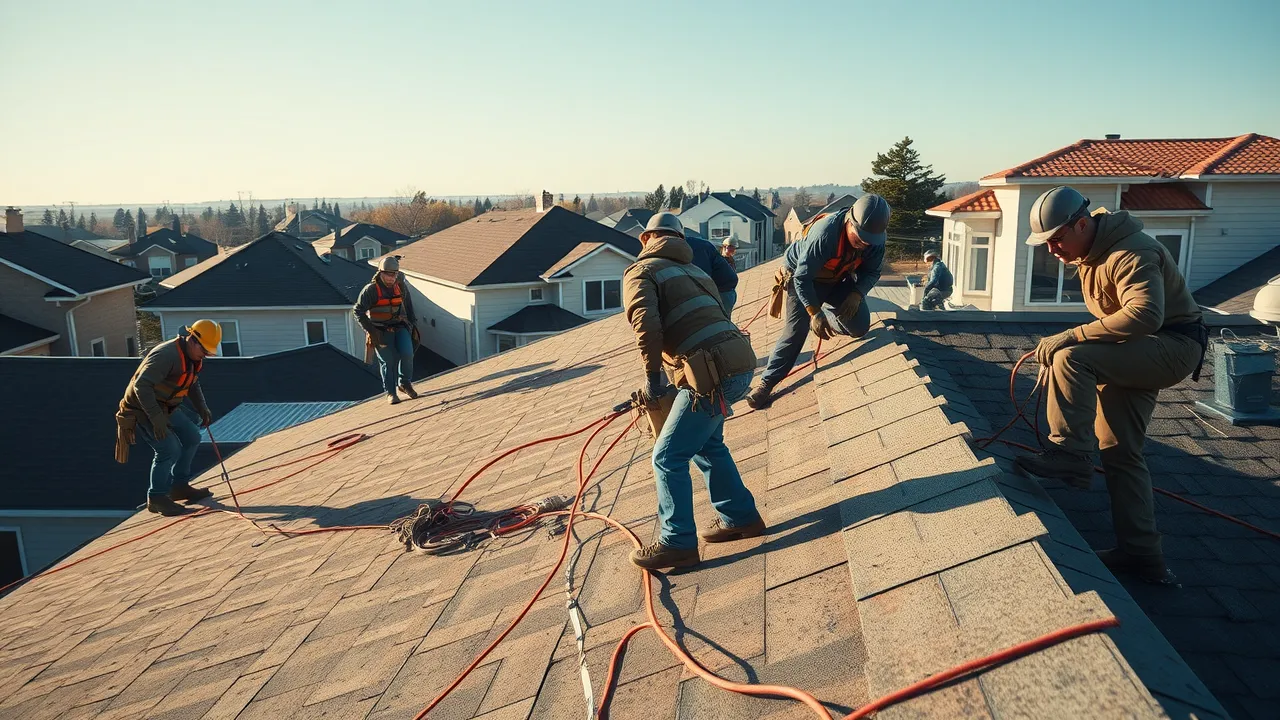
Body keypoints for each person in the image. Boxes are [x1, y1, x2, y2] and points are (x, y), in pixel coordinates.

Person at [1014, 186, 1207, 584]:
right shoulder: (1091, 249)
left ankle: (1069, 454)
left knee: (1072, 357)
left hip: (1172, 346)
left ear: (1081, 224)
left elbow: (1145, 315)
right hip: (1139, 348)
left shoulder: (1130, 252)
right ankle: (1142, 555)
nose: (1052, 251)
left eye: (1056, 240)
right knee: (1119, 450)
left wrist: (1072, 335)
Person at [623, 212, 764, 570]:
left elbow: (647, 326)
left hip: (710, 374)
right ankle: (740, 516)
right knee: (707, 445)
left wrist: (652, 377)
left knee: (667, 457)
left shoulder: (641, 271)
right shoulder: (697, 271)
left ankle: (677, 542)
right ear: (681, 241)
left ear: (646, 239)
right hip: (738, 364)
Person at [746, 194, 891, 409]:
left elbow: (871, 273)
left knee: (859, 326)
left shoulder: (874, 242)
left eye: (868, 241)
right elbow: (802, 278)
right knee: (797, 331)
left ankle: (829, 319)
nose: (863, 245)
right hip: (803, 278)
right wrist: (814, 312)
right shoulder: (826, 234)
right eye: (859, 239)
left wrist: (857, 293)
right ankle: (766, 383)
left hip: (836, 278)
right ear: (849, 221)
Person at [115, 320, 219, 516]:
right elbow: (141, 386)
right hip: (143, 408)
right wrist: (156, 418)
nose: (205, 355)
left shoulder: (193, 358)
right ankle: (157, 497)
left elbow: (192, 383)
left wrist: (202, 407)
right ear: (193, 339)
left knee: (192, 437)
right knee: (169, 449)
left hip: (167, 406)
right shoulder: (166, 355)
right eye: (204, 350)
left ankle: (179, 486)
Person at [354, 256, 419, 405]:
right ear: (380, 273)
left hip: (399, 325)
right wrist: (371, 330)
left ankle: (405, 383)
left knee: (407, 352)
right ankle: (391, 392)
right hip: (379, 330)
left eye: (394, 274)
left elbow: (408, 306)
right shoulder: (370, 290)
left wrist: (413, 324)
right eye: (388, 274)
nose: (391, 278)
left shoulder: (400, 286)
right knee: (388, 362)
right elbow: (358, 311)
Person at [679, 219, 739, 314]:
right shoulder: (700, 246)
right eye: (728, 247)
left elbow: (702, 279)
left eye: (732, 248)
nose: (729, 250)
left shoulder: (695, 249)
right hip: (725, 291)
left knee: (717, 322)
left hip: (722, 293)